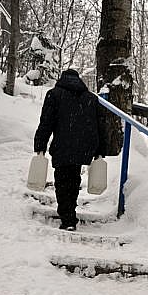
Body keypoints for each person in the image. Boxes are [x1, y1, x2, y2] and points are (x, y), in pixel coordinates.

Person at [34, 68, 106, 230]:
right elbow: (98, 126)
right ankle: (70, 213)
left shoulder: (54, 94)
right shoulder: (90, 98)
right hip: (82, 146)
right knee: (74, 179)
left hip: (62, 145)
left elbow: (46, 122)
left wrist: (40, 144)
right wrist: (100, 149)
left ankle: (67, 218)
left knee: (62, 180)